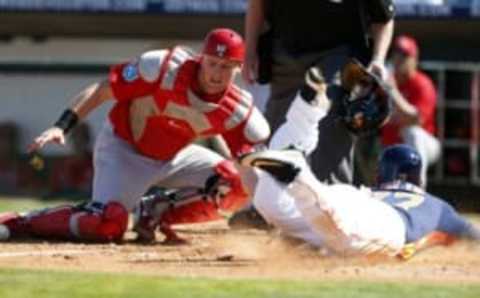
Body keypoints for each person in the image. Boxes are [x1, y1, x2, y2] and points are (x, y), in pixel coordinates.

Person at [0, 28, 270, 243]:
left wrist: (277, 214)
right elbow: (102, 90)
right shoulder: (162, 68)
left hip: (175, 155)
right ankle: (19, 221)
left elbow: (251, 167)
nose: (216, 74)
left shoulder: (237, 110)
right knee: (105, 224)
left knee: (236, 185)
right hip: (125, 149)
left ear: (238, 68)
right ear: (202, 59)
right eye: (212, 63)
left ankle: (156, 210)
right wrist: (62, 125)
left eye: (226, 66)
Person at [238, 70, 479, 259]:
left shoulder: (376, 190)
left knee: (272, 205)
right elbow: (473, 237)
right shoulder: (437, 206)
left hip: (350, 196)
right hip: (386, 223)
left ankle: (304, 114)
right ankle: (297, 173)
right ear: (414, 178)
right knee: (344, 236)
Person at [242, 0, 395, 183]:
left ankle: (331, 203)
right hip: (286, 53)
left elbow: (383, 17)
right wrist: (249, 51)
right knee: (278, 135)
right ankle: (274, 205)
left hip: (338, 52)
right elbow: (257, 3)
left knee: (329, 119)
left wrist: (378, 59)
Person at [381, 35, 440, 188]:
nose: (399, 59)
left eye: (405, 55)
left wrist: (392, 91)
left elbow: (417, 119)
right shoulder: (385, 82)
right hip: (390, 147)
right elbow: (379, 117)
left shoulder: (422, 83)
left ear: (414, 60)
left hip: (426, 146)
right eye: (397, 54)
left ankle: (419, 188)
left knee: (412, 132)